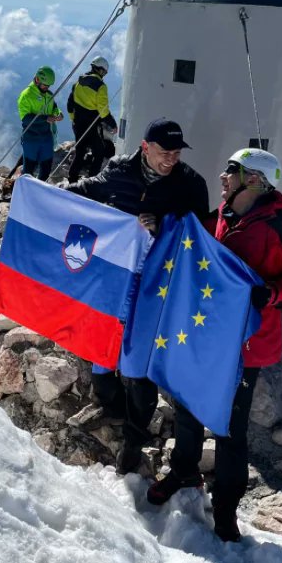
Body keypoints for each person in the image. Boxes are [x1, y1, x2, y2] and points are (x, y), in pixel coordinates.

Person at [145, 147, 282, 542]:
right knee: (188, 407)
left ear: (254, 180)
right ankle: (184, 470)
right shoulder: (222, 217)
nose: (223, 177)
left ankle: (226, 507)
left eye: (232, 170)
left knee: (229, 428)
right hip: (206, 336)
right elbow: (191, 242)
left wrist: (271, 294)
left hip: (246, 346)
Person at [65, 118, 210, 474]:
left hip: (157, 288)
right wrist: (46, 192)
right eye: (165, 152)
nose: (171, 159)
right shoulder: (119, 171)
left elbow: (203, 236)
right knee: (102, 348)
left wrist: (163, 229)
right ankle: (110, 405)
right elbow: (88, 190)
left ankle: (133, 439)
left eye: (177, 153)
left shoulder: (191, 184)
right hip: (114, 282)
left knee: (138, 364)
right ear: (145, 147)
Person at [66, 55, 118, 182]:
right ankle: (92, 180)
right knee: (99, 151)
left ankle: (72, 180)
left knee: (80, 152)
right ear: (100, 70)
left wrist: (74, 119)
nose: (104, 74)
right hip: (91, 125)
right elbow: (103, 110)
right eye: (104, 72)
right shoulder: (101, 86)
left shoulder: (78, 82)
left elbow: (70, 104)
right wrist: (113, 124)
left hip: (78, 124)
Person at [17, 66, 63, 181]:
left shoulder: (48, 94)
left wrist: (58, 113)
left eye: (48, 86)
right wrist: (45, 118)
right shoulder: (26, 95)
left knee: (46, 169)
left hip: (46, 137)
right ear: (37, 80)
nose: (46, 88)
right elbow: (26, 119)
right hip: (31, 138)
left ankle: (38, 192)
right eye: (44, 85)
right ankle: (25, 194)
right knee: (28, 171)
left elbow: (54, 107)